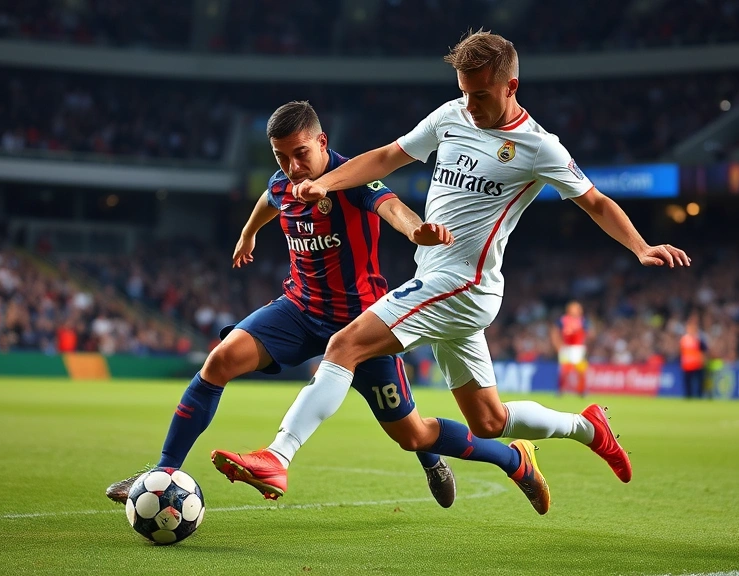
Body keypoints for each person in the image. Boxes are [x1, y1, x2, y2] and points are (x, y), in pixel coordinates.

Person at [211, 31, 691, 510]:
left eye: (480, 94)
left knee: (345, 344)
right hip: (436, 277)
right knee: (488, 421)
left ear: (511, 86)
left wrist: (641, 246)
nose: (471, 103)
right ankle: (588, 428)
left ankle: (278, 455)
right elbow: (386, 157)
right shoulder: (452, 115)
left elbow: (595, 201)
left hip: (464, 285)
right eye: (464, 90)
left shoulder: (538, 146)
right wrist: (325, 184)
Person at [106, 101, 552, 512]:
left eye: (301, 154)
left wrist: (417, 231)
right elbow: (269, 198)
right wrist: (249, 233)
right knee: (218, 362)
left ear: (322, 142)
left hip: (364, 325)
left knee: (413, 434)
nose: (292, 167)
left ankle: (508, 460)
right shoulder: (284, 183)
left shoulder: (353, 180)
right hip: (298, 311)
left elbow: (391, 206)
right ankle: (163, 470)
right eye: (281, 157)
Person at [551, 301, 590, 396]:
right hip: (566, 348)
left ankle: (581, 391)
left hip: (578, 348)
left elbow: (588, 334)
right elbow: (555, 332)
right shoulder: (563, 320)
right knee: (564, 370)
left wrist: (585, 345)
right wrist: (558, 345)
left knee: (581, 370)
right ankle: (561, 390)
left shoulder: (583, 321)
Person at [680, 315, 708, 399]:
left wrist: (704, 362)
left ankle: (699, 397)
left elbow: (704, 352)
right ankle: (688, 397)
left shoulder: (698, 339)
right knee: (688, 384)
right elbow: (682, 353)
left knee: (699, 384)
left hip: (697, 365)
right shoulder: (684, 339)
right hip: (687, 366)